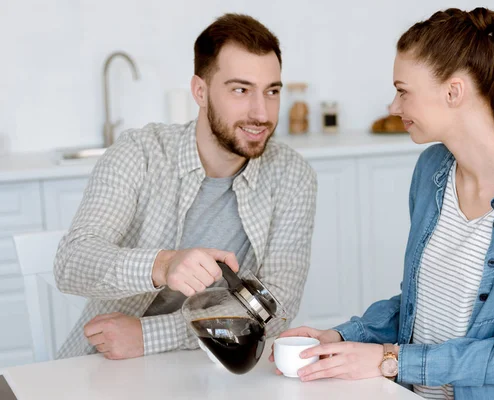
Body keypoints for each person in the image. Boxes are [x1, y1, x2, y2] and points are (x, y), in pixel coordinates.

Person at [272, 7, 494, 399]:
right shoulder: (432, 171)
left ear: (453, 92)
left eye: (403, 91)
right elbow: (419, 301)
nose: (392, 107)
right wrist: (341, 336)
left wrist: (390, 359)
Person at [54, 13, 317, 360]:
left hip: (209, 365)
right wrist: (163, 265)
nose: (261, 112)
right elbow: (72, 262)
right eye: (240, 90)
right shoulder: (141, 153)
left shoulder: (292, 176)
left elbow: (276, 303)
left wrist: (149, 336)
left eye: (271, 92)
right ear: (200, 91)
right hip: (106, 360)